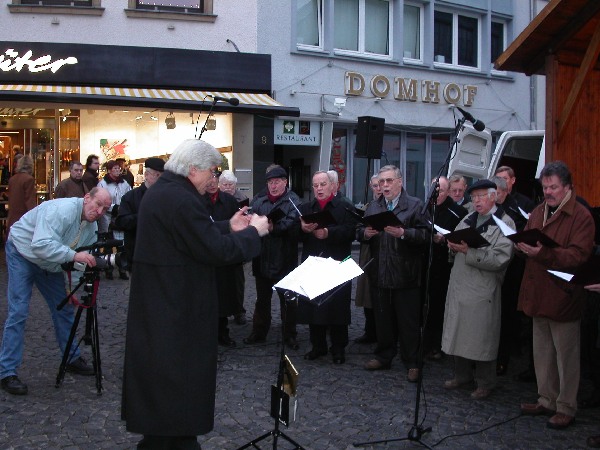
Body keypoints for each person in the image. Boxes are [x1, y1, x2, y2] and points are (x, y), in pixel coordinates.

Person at [121, 139, 268, 450]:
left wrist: (229, 225)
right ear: (192, 170)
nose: (214, 180)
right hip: (175, 316)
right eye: (212, 172)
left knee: (164, 404)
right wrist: (255, 232)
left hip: (163, 310)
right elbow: (213, 250)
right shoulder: (181, 199)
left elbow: (194, 235)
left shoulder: (166, 192)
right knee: (175, 400)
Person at [0, 188, 112, 395]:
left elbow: (82, 257)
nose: (99, 211)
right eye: (97, 204)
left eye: (105, 209)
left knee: (65, 308)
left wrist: (72, 287)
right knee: (19, 311)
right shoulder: (61, 210)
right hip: (22, 252)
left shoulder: (91, 224)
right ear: (87, 198)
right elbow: (41, 245)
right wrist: (73, 256)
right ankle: (6, 372)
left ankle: (71, 357)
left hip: (50, 263)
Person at [518, 161, 595, 430]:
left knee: (566, 356)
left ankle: (566, 406)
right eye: (545, 187)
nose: (548, 192)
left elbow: (579, 255)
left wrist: (545, 253)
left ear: (567, 188)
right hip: (538, 293)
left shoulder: (581, 216)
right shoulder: (538, 211)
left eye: (553, 187)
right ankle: (546, 398)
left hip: (563, 295)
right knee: (542, 353)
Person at [441, 180, 514, 399]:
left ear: (494, 196)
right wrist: (451, 246)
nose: (476, 201)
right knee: (460, 330)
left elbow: (501, 258)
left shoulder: (505, 222)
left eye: (481, 196)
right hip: (460, 284)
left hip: (483, 288)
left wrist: (468, 252)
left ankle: (485, 382)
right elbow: (456, 242)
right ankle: (462, 375)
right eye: (474, 197)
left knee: (482, 336)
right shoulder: (467, 218)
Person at [358, 165, 430, 382]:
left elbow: (426, 235)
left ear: (400, 182)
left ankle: (412, 362)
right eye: (382, 182)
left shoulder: (416, 205)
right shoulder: (374, 207)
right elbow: (358, 231)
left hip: (406, 275)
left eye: (389, 181)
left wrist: (403, 233)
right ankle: (384, 355)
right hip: (380, 273)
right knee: (383, 321)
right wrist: (365, 233)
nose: (385, 186)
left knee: (408, 323)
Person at [296, 171, 357, 364]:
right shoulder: (306, 208)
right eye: (316, 185)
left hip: (337, 264)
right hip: (313, 264)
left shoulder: (345, 207)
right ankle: (318, 346)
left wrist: (329, 233)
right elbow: (293, 235)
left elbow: (351, 231)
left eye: (323, 184)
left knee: (338, 308)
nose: (319, 188)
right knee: (315, 307)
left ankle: (338, 348)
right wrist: (302, 229)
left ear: (332, 186)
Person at [243, 165, 302, 350]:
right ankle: (258, 332)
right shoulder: (259, 200)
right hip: (262, 259)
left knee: (288, 301)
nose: (273, 185)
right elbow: (253, 223)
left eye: (276, 182)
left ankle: (289, 335)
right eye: (270, 182)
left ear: (285, 182)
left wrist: (270, 227)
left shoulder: (293, 201)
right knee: (262, 300)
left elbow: (291, 225)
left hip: (285, 260)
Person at [423, 176, 467, 360]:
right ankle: (424, 342)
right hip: (425, 262)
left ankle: (438, 345)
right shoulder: (425, 208)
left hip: (445, 266)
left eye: (440, 191)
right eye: (434, 190)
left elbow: (462, 237)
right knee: (424, 304)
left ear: (448, 191)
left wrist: (444, 239)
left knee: (440, 306)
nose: (437, 194)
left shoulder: (459, 212)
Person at [204, 173, 245, 348]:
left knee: (223, 297)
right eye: (210, 180)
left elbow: (238, 225)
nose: (212, 183)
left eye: (215, 180)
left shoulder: (228, 201)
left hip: (225, 255)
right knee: (206, 298)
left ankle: (223, 332)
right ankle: (207, 335)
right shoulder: (196, 200)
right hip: (205, 257)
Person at [114, 157, 165, 271]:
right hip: (138, 256)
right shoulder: (131, 197)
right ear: (146, 175)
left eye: (162, 176)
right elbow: (122, 222)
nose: (160, 179)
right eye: (157, 175)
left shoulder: (167, 197)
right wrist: (144, 216)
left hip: (162, 256)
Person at [218, 169, 249, 325]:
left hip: (236, 245)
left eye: (231, 184)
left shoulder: (241, 199)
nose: (228, 187)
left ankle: (239, 311)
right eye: (225, 184)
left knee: (238, 282)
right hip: (222, 243)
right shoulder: (215, 199)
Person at [354, 175, 381, 344]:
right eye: (375, 186)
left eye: (381, 185)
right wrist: (364, 232)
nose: (378, 188)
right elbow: (358, 229)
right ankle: (369, 331)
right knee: (366, 294)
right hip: (367, 253)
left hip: (383, 254)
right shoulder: (369, 206)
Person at [98, 159, 131, 280]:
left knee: (121, 246)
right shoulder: (103, 184)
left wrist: (124, 209)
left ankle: (122, 268)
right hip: (108, 219)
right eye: (115, 168)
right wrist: (113, 208)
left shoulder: (124, 183)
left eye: (119, 168)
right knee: (108, 246)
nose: (118, 170)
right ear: (109, 170)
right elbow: (100, 199)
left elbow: (129, 196)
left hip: (120, 218)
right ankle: (108, 269)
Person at [6, 155, 36, 236]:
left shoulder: (12, 179)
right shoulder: (29, 179)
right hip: (23, 221)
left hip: (12, 219)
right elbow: (30, 201)